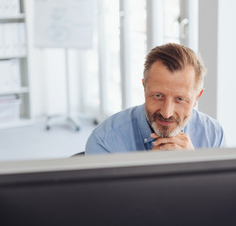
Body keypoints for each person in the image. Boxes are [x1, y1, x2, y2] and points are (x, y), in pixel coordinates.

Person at [85, 43, 225, 154]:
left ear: (197, 98)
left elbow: (222, 190)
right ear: (144, 87)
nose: (166, 113)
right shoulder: (105, 141)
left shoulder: (213, 134)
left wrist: (195, 166)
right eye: (158, 96)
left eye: (180, 99)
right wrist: (150, 169)